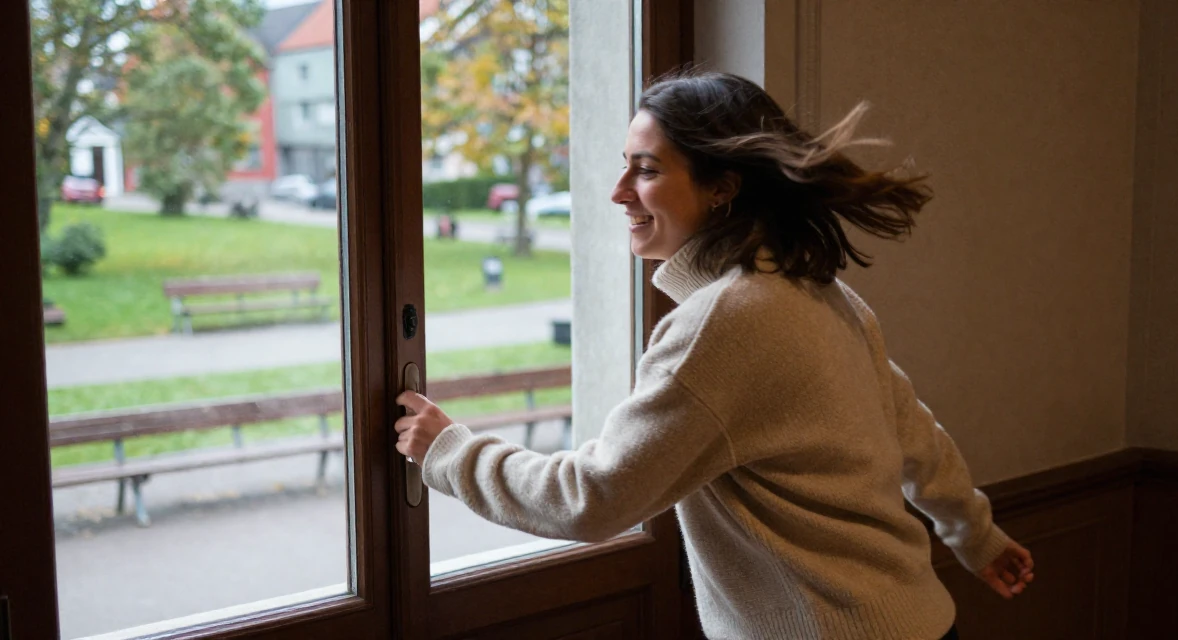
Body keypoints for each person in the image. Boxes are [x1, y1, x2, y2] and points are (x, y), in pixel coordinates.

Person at [396, 70, 1034, 640]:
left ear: (722, 188)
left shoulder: (724, 324)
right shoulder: (817, 291)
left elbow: (594, 498)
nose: (619, 191)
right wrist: (975, 536)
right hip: (921, 622)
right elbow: (917, 435)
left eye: (645, 170)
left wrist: (450, 451)